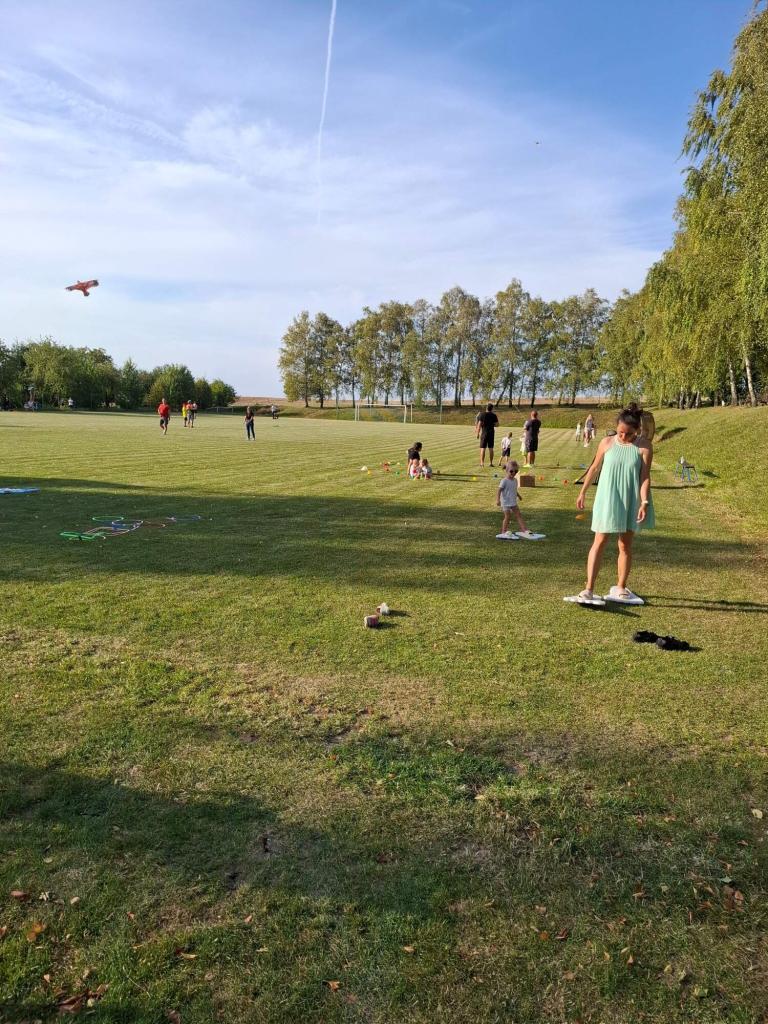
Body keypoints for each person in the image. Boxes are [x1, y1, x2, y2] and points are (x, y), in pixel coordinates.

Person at [572, 406, 654, 605]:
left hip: (631, 500)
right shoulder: (606, 442)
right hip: (608, 498)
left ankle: (621, 587)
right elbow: (594, 468)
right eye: (620, 432)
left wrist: (644, 502)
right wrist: (583, 492)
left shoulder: (644, 447)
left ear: (637, 430)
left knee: (624, 544)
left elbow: (644, 477)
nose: (624, 437)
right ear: (616, 427)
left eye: (629, 434)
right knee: (599, 541)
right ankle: (588, 589)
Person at [495, 461, 535, 540]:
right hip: (506, 502)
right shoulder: (504, 481)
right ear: (507, 470)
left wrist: (519, 496)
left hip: (513, 502)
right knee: (507, 516)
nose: (514, 473)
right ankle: (503, 531)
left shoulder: (515, 480)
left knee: (519, 515)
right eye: (511, 471)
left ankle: (524, 530)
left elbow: (514, 490)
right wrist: (498, 500)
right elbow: (499, 490)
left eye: (516, 471)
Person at [475, 403, 499, 467]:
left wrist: (477, 433)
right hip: (491, 433)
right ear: (492, 408)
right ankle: (491, 463)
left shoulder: (482, 414)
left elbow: (479, 425)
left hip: (484, 433)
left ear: (486, 408)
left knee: (483, 448)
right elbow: (497, 425)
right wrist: (492, 424)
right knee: (491, 448)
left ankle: (482, 463)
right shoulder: (494, 415)